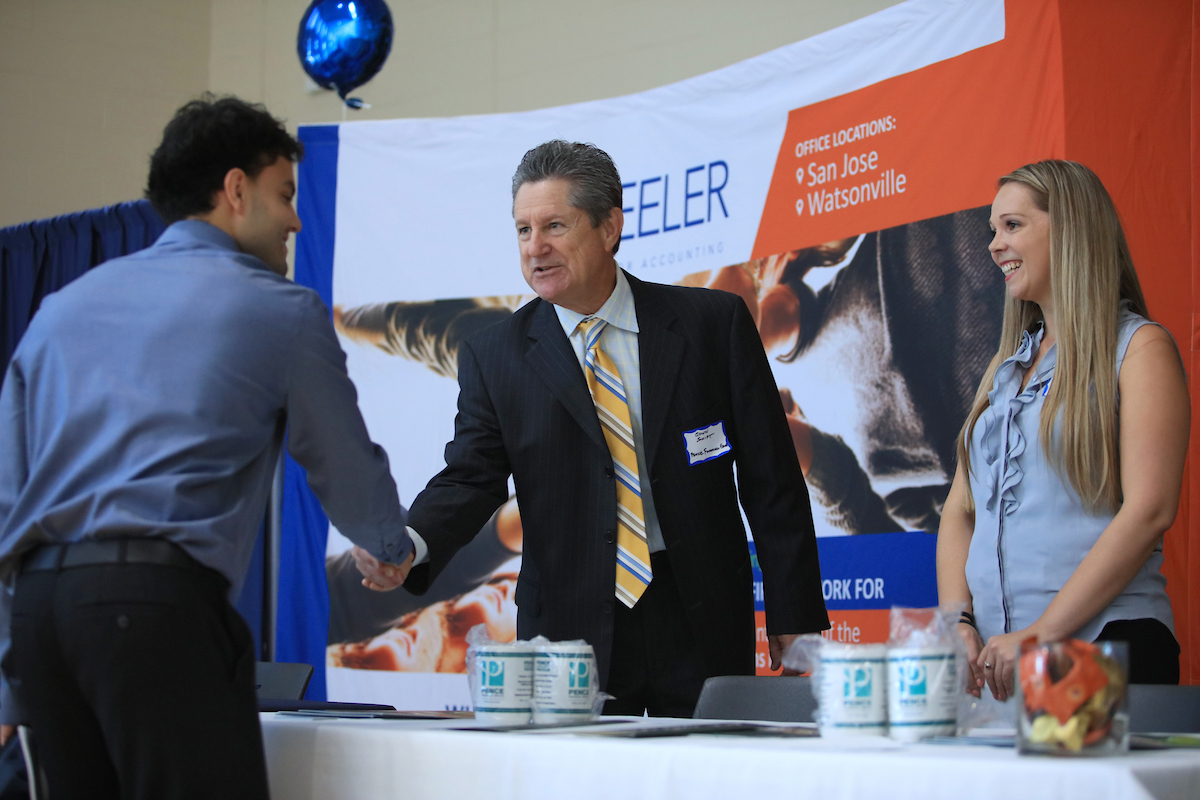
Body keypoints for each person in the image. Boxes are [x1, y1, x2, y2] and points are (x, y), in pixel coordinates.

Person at [0, 95, 415, 799]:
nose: (296, 218)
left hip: (42, 618)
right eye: (284, 194)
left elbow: (9, 497)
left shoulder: (60, 310)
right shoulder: (280, 308)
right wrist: (390, 545)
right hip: (154, 612)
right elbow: (340, 458)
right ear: (235, 190)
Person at [355, 140, 829, 717]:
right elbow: (469, 478)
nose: (536, 248)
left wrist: (795, 615)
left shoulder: (711, 325)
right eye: (523, 231)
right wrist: (412, 544)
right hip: (568, 635)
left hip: (702, 616)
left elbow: (771, 479)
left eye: (554, 225)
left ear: (609, 227)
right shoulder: (495, 355)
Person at [936, 160, 1189, 702]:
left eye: (1012, 226)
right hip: (1004, 663)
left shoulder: (1140, 350)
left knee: (1066, 792)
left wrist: (1040, 633)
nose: (993, 245)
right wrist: (958, 619)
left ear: (1070, 228)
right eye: (991, 231)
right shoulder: (1003, 367)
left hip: (1095, 650)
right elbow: (959, 509)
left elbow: (1149, 510)